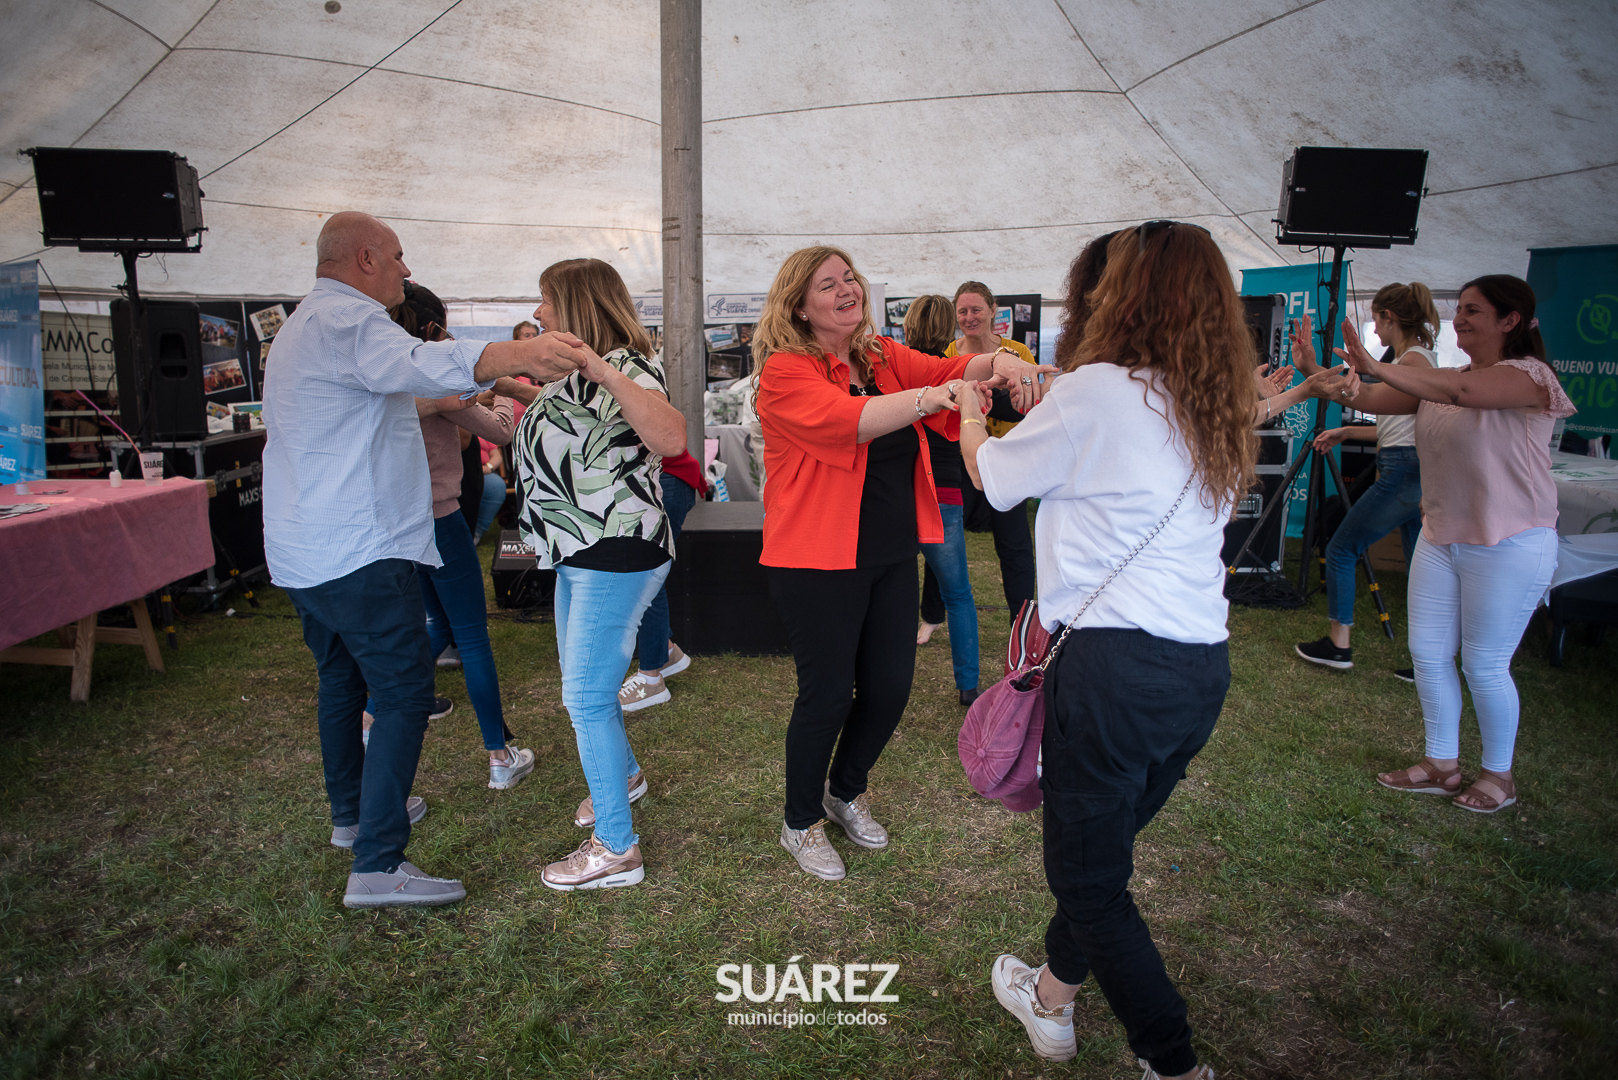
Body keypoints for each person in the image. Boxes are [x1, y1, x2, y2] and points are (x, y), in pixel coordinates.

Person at [962, 221, 1252, 1079]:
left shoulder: (1096, 390)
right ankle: (1051, 997)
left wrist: (973, 416)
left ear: (1119, 294)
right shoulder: (1209, 398)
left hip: (1112, 673)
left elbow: (997, 480)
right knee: (1101, 856)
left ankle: (1173, 1062)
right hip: (1197, 669)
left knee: (1089, 883)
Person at [263, 211, 588, 909]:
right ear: (366, 258)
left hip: (306, 548)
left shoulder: (304, 322)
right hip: (356, 549)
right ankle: (378, 863)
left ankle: (353, 817)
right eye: (399, 257)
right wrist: (517, 355)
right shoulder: (348, 320)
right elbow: (422, 364)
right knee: (404, 693)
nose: (407, 272)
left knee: (341, 682)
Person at [753, 245, 1055, 882]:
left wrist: (1003, 361)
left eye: (850, 278)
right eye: (827, 285)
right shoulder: (785, 371)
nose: (847, 289)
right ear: (799, 307)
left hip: (889, 551)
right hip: (815, 560)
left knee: (890, 689)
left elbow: (958, 364)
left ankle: (845, 790)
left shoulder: (880, 356)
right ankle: (800, 820)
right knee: (827, 696)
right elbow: (849, 419)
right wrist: (932, 396)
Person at [1332, 275, 1575, 814]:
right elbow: (1368, 397)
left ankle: (1499, 776)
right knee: (1427, 653)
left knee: (1484, 665)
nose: (1459, 319)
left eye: (1473, 310)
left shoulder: (1529, 376)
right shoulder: (1449, 379)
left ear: (1510, 320)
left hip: (1510, 540)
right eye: (1459, 308)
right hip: (1442, 535)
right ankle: (1441, 764)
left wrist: (1376, 365)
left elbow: (1462, 394)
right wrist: (1313, 372)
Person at [511, 257, 687, 891]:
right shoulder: (573, 378)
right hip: (579, 550)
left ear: (578, 306)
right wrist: (514, 391)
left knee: (585, 698)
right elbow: (578, 423)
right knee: (585, 690)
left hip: (614, 549)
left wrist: (601, 367)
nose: (537, 313)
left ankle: (616, 848)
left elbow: (671, 437)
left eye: (546, 300)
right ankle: (626, 776)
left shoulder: (626, 366)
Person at [382, 280, 535, 791]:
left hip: (394, 521)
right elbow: (501, 431)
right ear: (433, 329)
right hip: (440, 518)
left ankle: (371, 716)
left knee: (429, 623)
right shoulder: (432, 376)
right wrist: (497, 392)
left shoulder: (377, 370)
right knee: (471, 636)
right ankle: (498, 754)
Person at [1289, 284, 1438, 674]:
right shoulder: (1413, 359)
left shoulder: (1414, 361)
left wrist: (1310, 371)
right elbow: (1393, 420)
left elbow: (1366, 396)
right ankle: (1430, 661)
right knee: (1421, 568)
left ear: (1390, 317)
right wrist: (1347, 431)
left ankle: (1339, 645)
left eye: (1375, 319)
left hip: (1402, 470)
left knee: (1341, 548)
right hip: (1409, 466)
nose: (1374, 328)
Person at [946, 281, 1039, 619]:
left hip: (1008, 460)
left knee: (1014, 546)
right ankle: (935, 616)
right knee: (947, 541)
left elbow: (1029, 403)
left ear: (992, 311)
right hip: (962, 461)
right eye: (962, 311)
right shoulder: (948, 354)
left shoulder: (1018, 353)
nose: (969, 317)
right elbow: (944, 409)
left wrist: (979, 400)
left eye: (976, 310)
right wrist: (999, 400)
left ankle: (1022, 623)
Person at [904, 294, 981, 706]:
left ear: (908, 327)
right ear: (950, 328)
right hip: (946, 492)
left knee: (890, 596)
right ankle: (968, 686)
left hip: (903, 493)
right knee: (959, 594)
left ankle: (885, 683)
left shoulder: (896, 375)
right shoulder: (957, 377)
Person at [617, 449, 706, 712]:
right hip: (651, 478)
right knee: (644, 575)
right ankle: (665, 653)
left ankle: (651, 680)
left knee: (645, 577)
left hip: (659, 478)